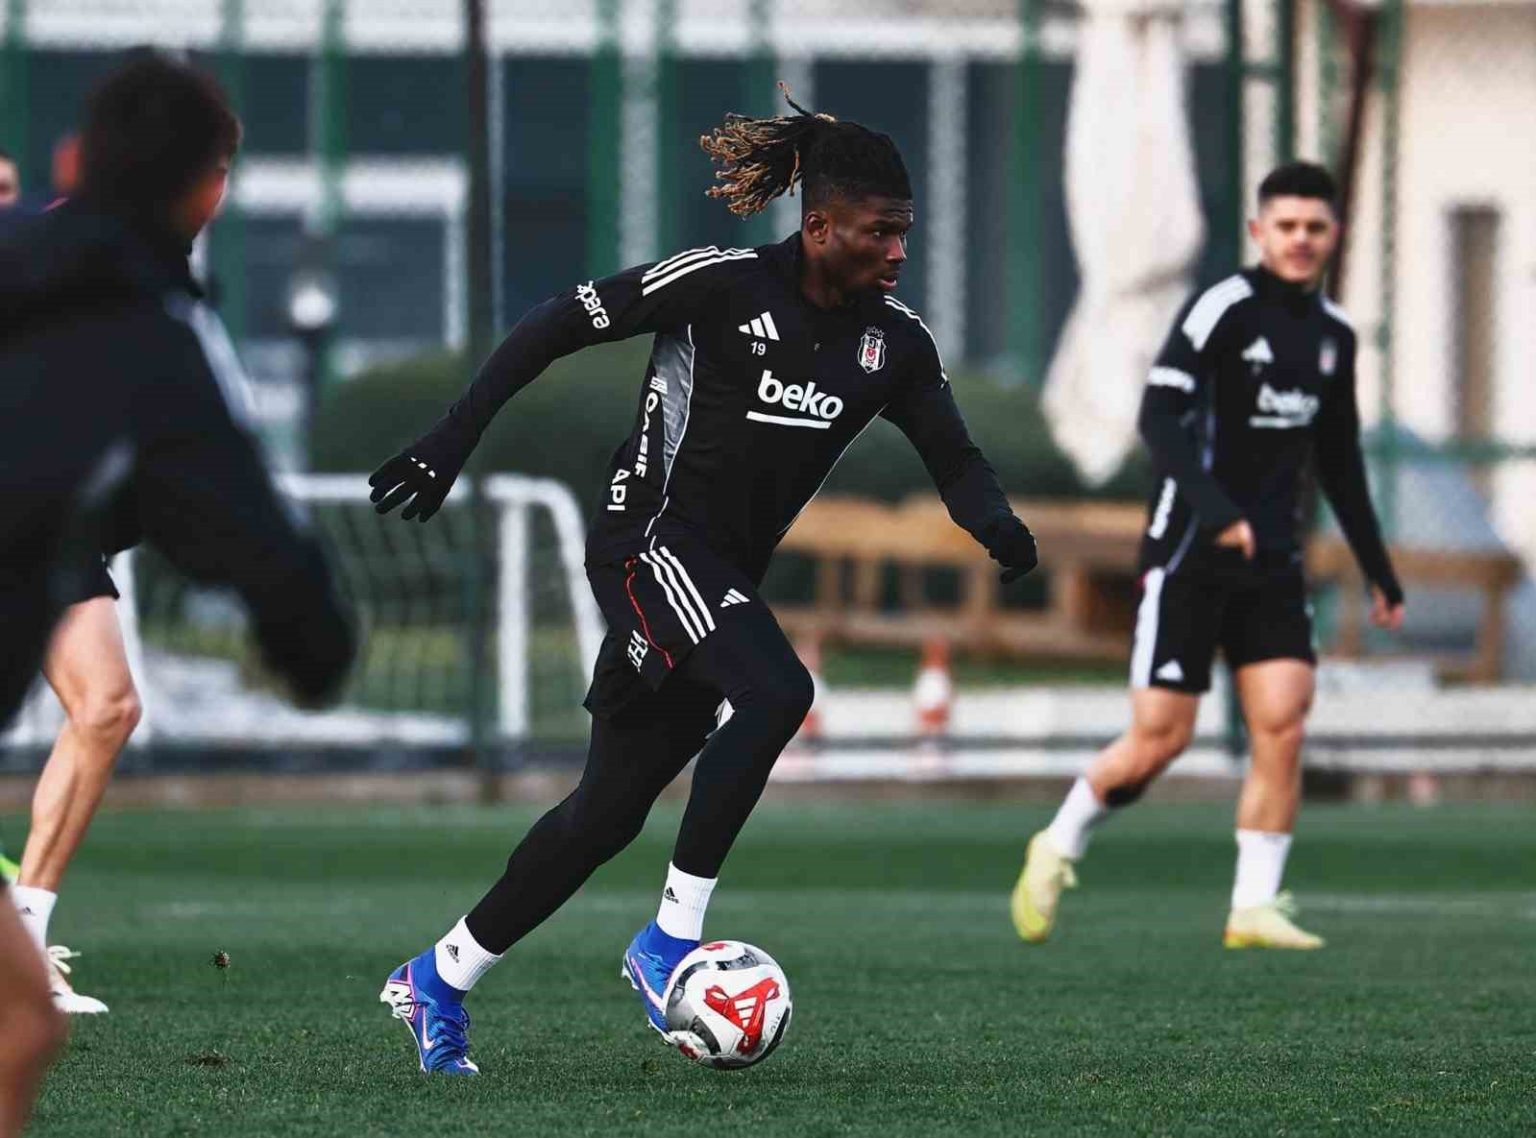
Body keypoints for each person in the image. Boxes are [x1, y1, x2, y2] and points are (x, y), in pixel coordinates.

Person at [370, 90, 1039, 1074]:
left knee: (605, 814)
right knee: (777, 691)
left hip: (716, 579)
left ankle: (438, 977)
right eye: (881, 232)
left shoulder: (894, 343)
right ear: (821, 227)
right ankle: (669, 940)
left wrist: (998, 526)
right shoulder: (720, 285)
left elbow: (955, 456)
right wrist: (450, 438)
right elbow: (555, 324)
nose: (900, 251)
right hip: (648, 545)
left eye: (906, 232)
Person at [0, 54, 357, 1024]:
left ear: (67, 161)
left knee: (106, 705)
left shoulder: (155, 314)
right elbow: (264, 556)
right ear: (207, 191)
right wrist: (311, 643)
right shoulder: (155, 340)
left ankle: (25, 934)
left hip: (55, 544)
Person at [1010, 162, 1405, 951]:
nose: (1300, 239)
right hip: (1191, 550)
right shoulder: (1222, 309)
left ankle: (1252, 906)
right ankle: (1057, 843)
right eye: (1286, 225)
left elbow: (1339, 459)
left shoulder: (1333, 336)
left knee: (1282, 722)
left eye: (1315, 227)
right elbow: (1158, 416)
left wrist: (1378, 568)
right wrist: (1219, 513)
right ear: (1260, 231)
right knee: (1161, 739)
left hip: (1274, 561)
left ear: (1333, 235)